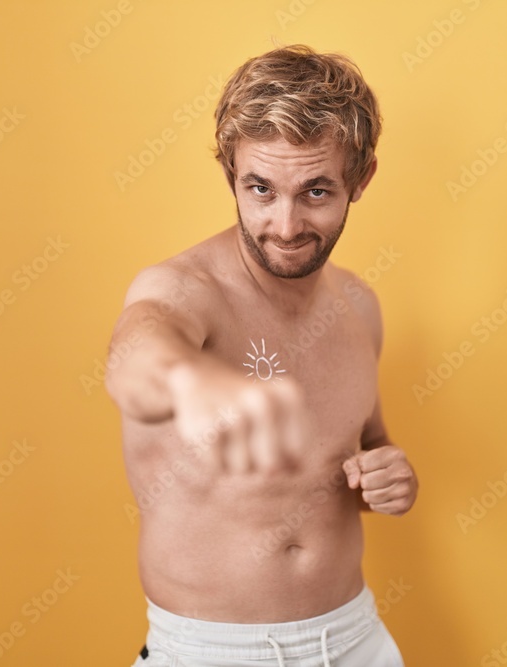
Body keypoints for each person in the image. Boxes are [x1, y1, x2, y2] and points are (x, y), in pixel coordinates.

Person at [106, 44, 418, 667]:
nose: (285, 223)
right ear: (231, 175)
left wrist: (387, 476)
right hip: (213, 653)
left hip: (358, 639)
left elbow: (363, 446)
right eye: (261, 188)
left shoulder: (359, 306)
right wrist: (191, 382)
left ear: (361, 180)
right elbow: (135, 361)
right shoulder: (182, 291)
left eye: (316, 191)